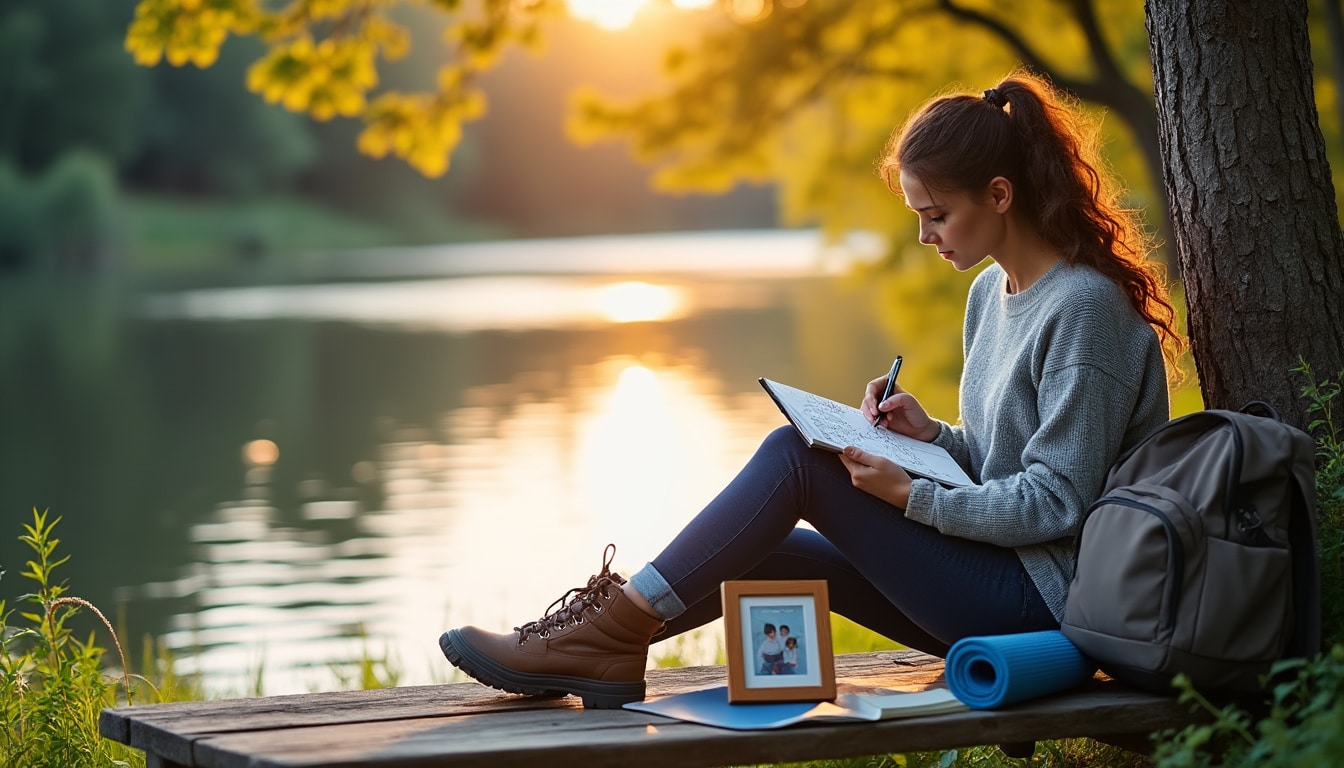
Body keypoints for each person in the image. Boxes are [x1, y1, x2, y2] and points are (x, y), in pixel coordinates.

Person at [438, 70, 1183, 709]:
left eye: (937, 216)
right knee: (758, 547)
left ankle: (601, 633)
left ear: (998, 194)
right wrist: (933, 439)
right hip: (995, 583)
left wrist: (909, 494)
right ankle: (591, 650)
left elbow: (1056, 501)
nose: (927, 238)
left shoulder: (1083, 309)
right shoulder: (991, 295)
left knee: (797, 460)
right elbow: (1002, 464)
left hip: (1043, 610)